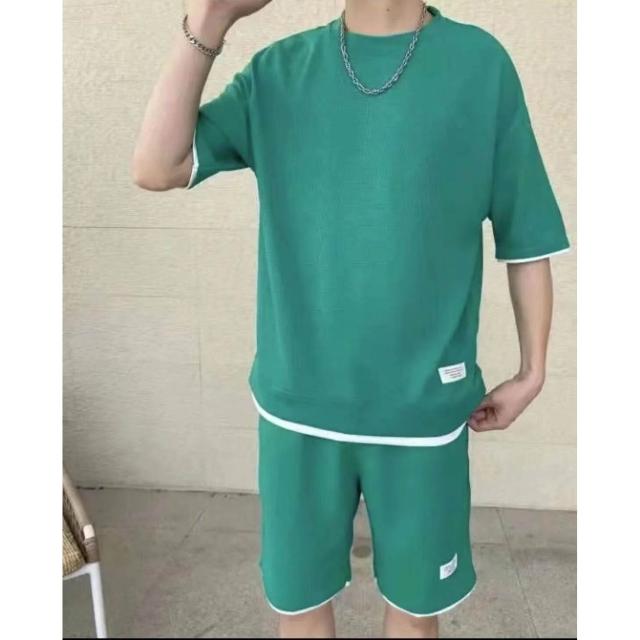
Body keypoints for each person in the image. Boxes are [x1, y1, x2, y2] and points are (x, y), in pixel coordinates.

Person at [132, 0, 570, 637]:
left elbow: (525, 231)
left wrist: (534, 371)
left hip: (422, 411)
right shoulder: (279, 71)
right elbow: (157, 166)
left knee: (415, 616)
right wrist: (210, 19)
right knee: (300, 609)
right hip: (298, 408)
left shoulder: (480, 66)